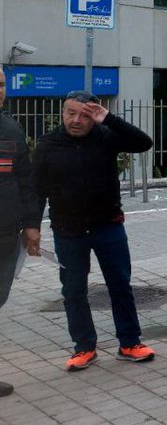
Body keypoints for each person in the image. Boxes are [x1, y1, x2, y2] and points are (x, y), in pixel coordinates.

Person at [31, 91, 155, 371]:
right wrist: (33, 227)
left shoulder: (106, 137)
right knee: (73, 291)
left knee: (120, 285)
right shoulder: (47, 145)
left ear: (94, 115)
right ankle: (84, 347)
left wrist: (109, 119)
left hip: (108, 226)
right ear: (62, 113)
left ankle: (130, 342)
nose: (76, 120)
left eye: (84, 115)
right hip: (68, 231)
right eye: (70, 113)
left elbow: (143, 143)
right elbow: (37, 189)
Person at [0, 75, 43, 395]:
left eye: (1, 85)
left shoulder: (12, 129)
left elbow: (26, 182)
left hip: (5, 233)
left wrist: (31, 225)